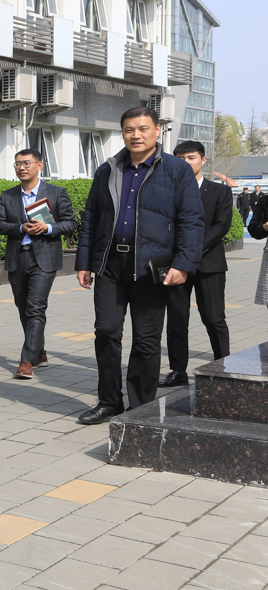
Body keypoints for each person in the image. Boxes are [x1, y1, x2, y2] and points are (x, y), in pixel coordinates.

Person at [75, 107, 203, 424]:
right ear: (122, 133)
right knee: (106, 332)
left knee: (146, 340)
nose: (136, 135)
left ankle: (140, 408)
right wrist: (84, 262)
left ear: (157, 130)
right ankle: (109, 402)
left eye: (143, 129)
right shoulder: (108, 169)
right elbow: (91, 218)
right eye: (129, 129)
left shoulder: (176, 170)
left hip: (150, 267)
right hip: (110, 264)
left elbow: (191, 221)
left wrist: (183, 264)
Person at [0, 147, 76, 379]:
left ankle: (26, 361)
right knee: (23, 307)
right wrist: (20, 227)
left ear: (39, 165)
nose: (21, 168)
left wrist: (47, 227)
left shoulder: (56, 193)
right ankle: (38, 351)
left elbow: (70, 223)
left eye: (26, 163)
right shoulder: (8, 195)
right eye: (18, 164)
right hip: (18, 257)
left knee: (36, 307)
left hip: (44, 258)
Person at [161, 141, 232, 387]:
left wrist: (192, 252)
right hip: (176, 264)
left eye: (190, 158)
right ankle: (178, 371)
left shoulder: (220, 191)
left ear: (203, 160)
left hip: (208, 264)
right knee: (177, 320)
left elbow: (220, 227)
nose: (185, 163)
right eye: (179, 159)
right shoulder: (166, 191)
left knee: (214, 318)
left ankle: (223, 367)